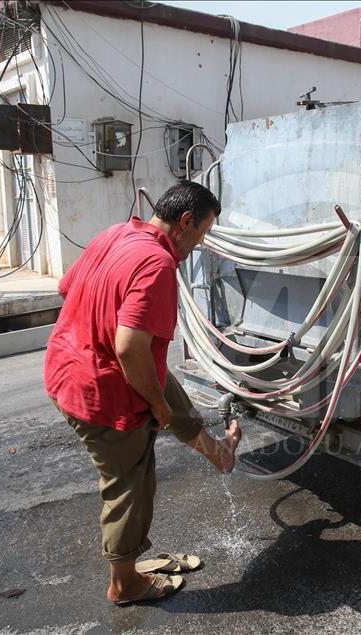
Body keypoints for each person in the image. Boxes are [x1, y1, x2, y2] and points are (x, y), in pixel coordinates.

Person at [44, 181, 242, 605]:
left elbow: (66, 287)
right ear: (186, 221)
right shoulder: (158, 265)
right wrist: (155, 405)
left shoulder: (115, 233)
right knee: (130, 484)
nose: (200, 243)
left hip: (70, 365)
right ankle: (124, 582)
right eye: (203, 233)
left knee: (168, 392)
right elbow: (129, 347)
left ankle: (218, 452)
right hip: (104, 387)